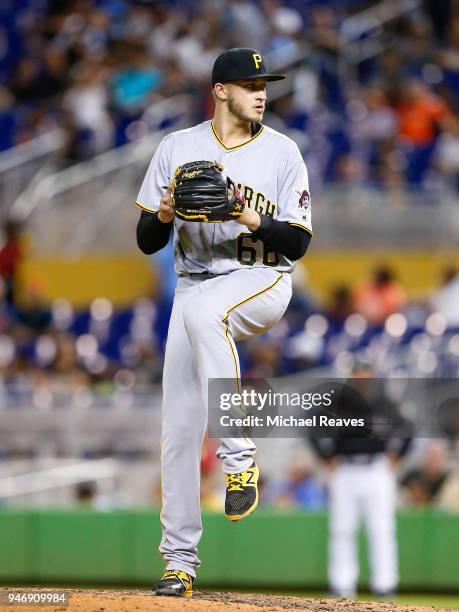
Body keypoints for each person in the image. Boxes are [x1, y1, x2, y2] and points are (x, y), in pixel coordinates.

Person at [135, 47, 312, 597]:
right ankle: (179, 563)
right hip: (193, 285)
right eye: (250, 83)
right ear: (220, 91)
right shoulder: (177, 148)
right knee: (179, 430)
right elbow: (146, 241)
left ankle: (239, 457)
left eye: (265, 83)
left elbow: (299, 241)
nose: (261, 92)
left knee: (212, 312)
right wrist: (165, 212)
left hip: (261, 277)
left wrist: (243, 212)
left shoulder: (282, 152)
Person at [309, 369, 412, 599]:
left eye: (366, 375)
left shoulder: (384, 401)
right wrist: (325, 458)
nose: (362, 380)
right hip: (345, 469)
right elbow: (312, 426)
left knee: (382, 528)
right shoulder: (339, 401)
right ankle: (341, 585)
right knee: (342, 529)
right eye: (358, 375)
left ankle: (385, 584)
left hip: (376, 469)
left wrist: (397, 456)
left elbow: (407, 428)